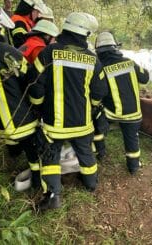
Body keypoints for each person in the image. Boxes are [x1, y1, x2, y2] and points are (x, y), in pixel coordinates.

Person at [28, 12, 108, 211]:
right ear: (85, 34)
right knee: (86, 154)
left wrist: (37, 104)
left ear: (65, 28)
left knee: (50, 158)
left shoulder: (48, 53)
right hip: (82, 124)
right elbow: (99, 92)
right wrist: (92, 105)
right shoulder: (93, 59)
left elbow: (35, 85)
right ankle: (91, 184)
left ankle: (53, 197)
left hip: (54, 125)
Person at [0, 4, 41, 188]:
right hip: (21, 120)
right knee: (33, 150)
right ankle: (38, 179)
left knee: (11, 139)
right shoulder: (9, 53)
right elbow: (31, 83)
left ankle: (13, 155)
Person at [95, 32, 149, 174]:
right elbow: (145, 77)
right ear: (115, 48)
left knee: (96, 123)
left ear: (98, 51)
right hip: (133, 114)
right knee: (132, 140)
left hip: (111, 114)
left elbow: (98, 91)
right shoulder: (129, 63)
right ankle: (133, 167)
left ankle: (100, 153)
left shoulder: (100, 68)